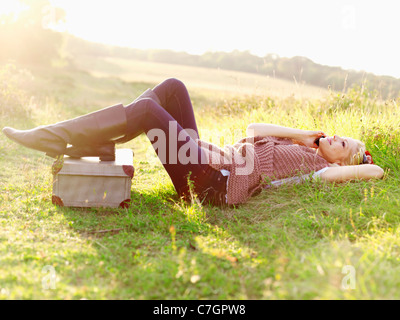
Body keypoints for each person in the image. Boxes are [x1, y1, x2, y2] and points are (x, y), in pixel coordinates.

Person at [2, 78, 384, 207]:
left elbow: (375, 168)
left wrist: (352, 158)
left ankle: (57, 136)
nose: (335, 137)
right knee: (172, 89)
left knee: (149, 110)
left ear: (341, 162)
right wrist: (304, 134)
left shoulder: (319, 169)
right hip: (204, 158)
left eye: (343, 143)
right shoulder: (305, 147)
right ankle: (93, 143)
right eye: (338, 133)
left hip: (209, 183)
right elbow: (252, 128)